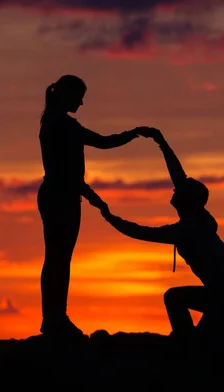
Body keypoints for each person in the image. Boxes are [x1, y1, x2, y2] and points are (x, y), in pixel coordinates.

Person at [96, 128, 224, 337]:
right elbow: (179, 177)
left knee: (173, 298)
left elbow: (141, 233)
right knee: (200, 331)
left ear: (187, 200)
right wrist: (162, 143)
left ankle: (184, 344)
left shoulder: (188, 229)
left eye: (179, 190)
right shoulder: (199, 218)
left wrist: (108, 216)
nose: (174, 190)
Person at [37, 74, 156, 337]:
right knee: (59, 260)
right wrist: (135, 133)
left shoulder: (51, 122)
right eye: (79, 97)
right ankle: (56, 319)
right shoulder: (65, 126)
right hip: (62, 197)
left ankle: (54, 318)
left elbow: (67, 171)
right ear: (67, 95)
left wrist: (89, 195)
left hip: (57, 195)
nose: (81, 103)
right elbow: (102, 143)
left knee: (56, 259)